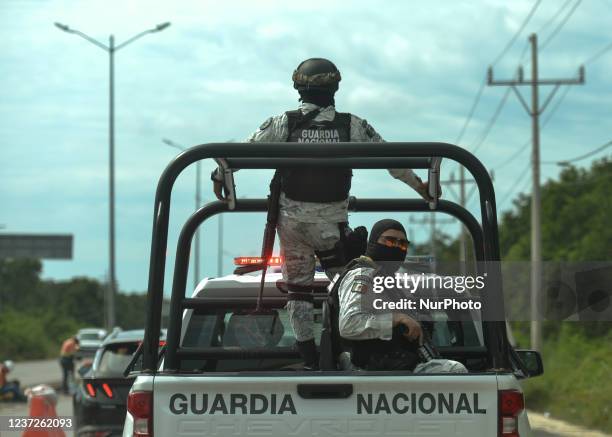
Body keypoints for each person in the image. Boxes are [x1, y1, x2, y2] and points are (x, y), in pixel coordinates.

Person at [212, 58, 438, 369]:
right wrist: (421, 187)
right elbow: (392, 158)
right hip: (331, 226)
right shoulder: (352, 125)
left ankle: (310, 360)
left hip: (291, 226)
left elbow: (240, 153)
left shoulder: (282, 123)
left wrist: (219, 175)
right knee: (348, 288)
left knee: (299, 292)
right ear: (335, 87)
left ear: (298, 88)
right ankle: (347, 352)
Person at [333, 219, 467, 372]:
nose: (396, 247)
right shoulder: (362, 275)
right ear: (374, 242)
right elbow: (349, 324)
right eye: (390, 242)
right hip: (371, 371)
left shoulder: (391, 282)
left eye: (402, 244)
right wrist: (397, 318)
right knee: (455, 370)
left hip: (399, 367)